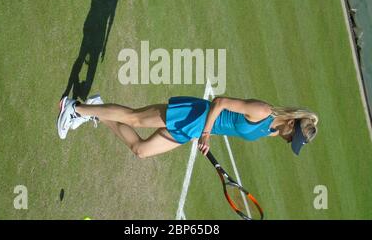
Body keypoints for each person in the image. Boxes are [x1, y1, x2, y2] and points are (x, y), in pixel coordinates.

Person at [57, 95, 318, 157]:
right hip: (195, 116)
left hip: (194, 130)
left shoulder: (273, 132)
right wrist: (207, 132)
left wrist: (205, 134)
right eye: (292, 137)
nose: (288, 141)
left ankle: (98, 109)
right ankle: (74, 108)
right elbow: (221, 102)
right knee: (136, 118)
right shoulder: (262, 111)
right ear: (292, 123)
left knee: (141, 150)